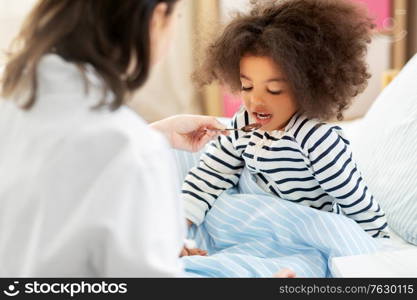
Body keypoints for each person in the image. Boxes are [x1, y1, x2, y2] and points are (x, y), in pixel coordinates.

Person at [0, 0, 229, 277]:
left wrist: (152, 134)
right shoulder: (131, 151)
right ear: (157, 18)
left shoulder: (13, 102)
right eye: (176, 16)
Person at [181, 0, 390, 271]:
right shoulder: (243, 121)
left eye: (274, 89)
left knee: (305, 264)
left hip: (300, 234)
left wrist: (381, 249)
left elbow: (356, 202)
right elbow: (211, 173)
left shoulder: (318, 141)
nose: (255, 102)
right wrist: (178, 225)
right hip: (248, 221)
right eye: (247, 86)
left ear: (308, 87)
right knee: (200, 230)